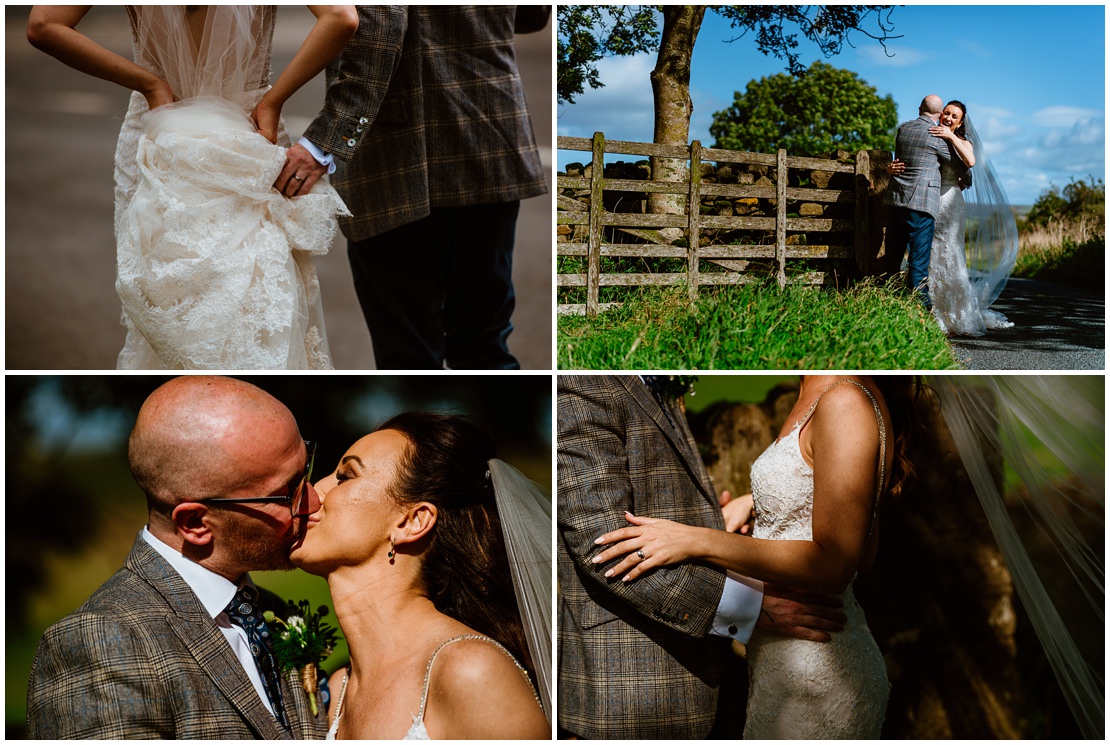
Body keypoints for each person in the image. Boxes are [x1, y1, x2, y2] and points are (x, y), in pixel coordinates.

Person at [592, 375, 925, 738]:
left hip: (818, 675)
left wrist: (698, 540)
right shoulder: (819, 390)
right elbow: (859, 543)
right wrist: (756, 506)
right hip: (783, 671)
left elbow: (837, 565)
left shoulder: (844, 400)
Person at [26, 6, 358, 369]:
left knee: (166, 298)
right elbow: (341, 17)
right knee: (259, 301)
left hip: (161, 128)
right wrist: (273, 101)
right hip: (246, 128)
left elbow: (44, 26)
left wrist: (150, 84)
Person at [26, 376, 328, 739]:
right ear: (196, 523)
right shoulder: (101, 642)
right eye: (286, 493)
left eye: (305, 470)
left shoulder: (275, 612)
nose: (314, 499)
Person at [281, 7, 550, 370]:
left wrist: (326, 140)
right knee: (483, 344)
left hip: (399, 155)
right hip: (489, 135)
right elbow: (532, 15)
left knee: (409, 356)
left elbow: (378, 26)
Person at [290, 412, 551, 739]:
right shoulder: (336, 687)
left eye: (346, 476)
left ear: (411, 522)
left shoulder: (471, 672)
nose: (314, 490)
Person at [891, 101, 1015, 335]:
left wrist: (951, 137)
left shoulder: (960, 141)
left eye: (954, 116)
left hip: (951, 202)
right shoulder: (932, 137)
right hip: (927, 199)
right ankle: (931, 310)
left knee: (951, 252)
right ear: (940, 113)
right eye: (946, 113)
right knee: (929, 253)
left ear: (960, 123)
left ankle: (958, 313)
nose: (948, 117)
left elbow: (970, 162)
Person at [884, 94, 962, 307]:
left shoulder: (903, 128)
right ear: (939, 115)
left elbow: (901, 160)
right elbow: (962, 166)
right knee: (918, 265)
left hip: (895, 201)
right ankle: (922, 314)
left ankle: (886, 305)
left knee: (892, 261)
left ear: (919, 108)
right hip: (922, 204)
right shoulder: (936, 135)